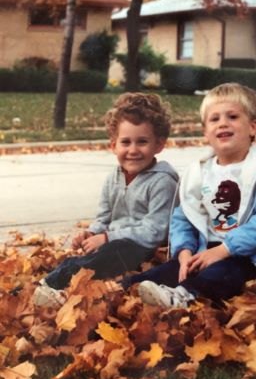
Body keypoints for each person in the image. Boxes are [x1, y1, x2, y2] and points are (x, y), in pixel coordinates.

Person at [125, 83, 256, 309]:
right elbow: (184, 215)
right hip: (206, 250)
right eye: (214, 119)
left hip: (251, 257)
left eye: (232, 116)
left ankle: (184, 297)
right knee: (166, 271)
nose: (223, 123)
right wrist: (184, 252)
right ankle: (114, 290)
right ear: (205, 133)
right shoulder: (200, 172)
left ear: (253, 127)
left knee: (224, 273)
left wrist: (224, 250)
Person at [34, 93, 179, 308]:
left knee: (113, 252)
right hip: (113, 244)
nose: (133, 150)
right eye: (125, 142)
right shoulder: (114, 177)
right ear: (113, 146)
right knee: (96, 257)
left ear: (159, 145)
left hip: (145, 249)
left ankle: (57, 286)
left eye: (142, 142)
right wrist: (92, 233)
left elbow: (155, 231)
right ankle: (50, 285)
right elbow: (104, 215)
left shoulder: (163, 181)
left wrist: (107, 237)